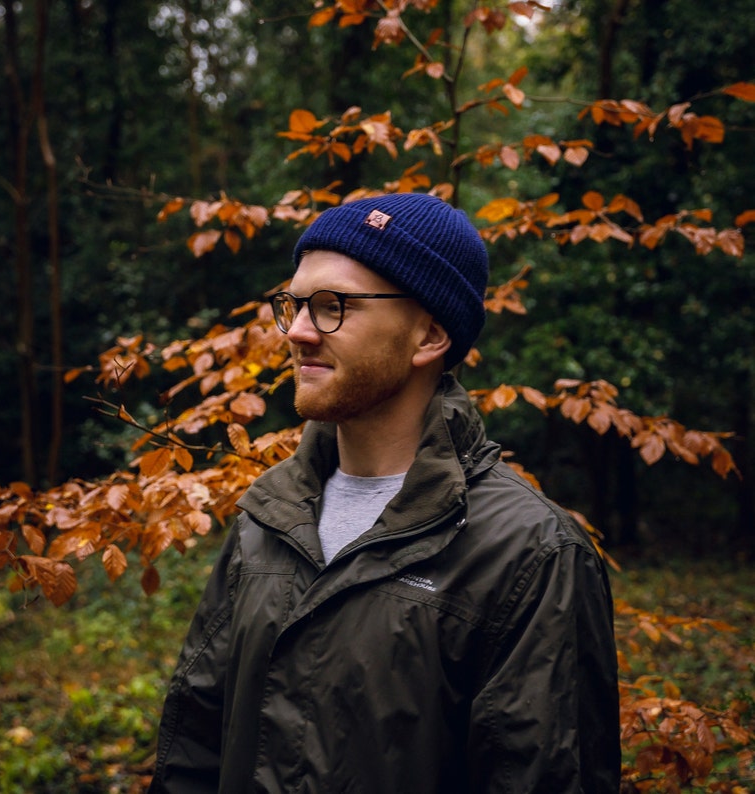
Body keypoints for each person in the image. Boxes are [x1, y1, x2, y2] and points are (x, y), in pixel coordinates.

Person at [148, 192, 621, 793]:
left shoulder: (530, 555)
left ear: (429, 335)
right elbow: (194, 747)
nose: (296, 332)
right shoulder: (267, 519)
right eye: (292, 305)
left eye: (332, 306)